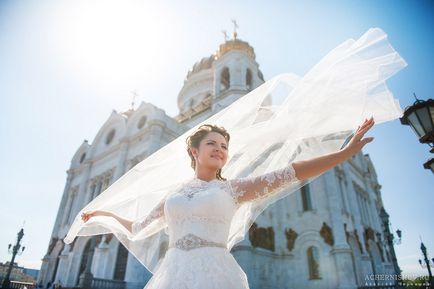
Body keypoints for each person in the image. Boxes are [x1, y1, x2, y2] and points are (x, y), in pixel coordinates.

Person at [68, 27, 406, 289]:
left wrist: (344, 152)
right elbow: (140, 227)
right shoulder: (173, 195)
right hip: (174, 276)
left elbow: (293, 172)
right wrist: (102, 214)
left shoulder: (232, 189)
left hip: (217, 274)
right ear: (193, 150)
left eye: (224, 146)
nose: (220, 149)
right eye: (212, 143)